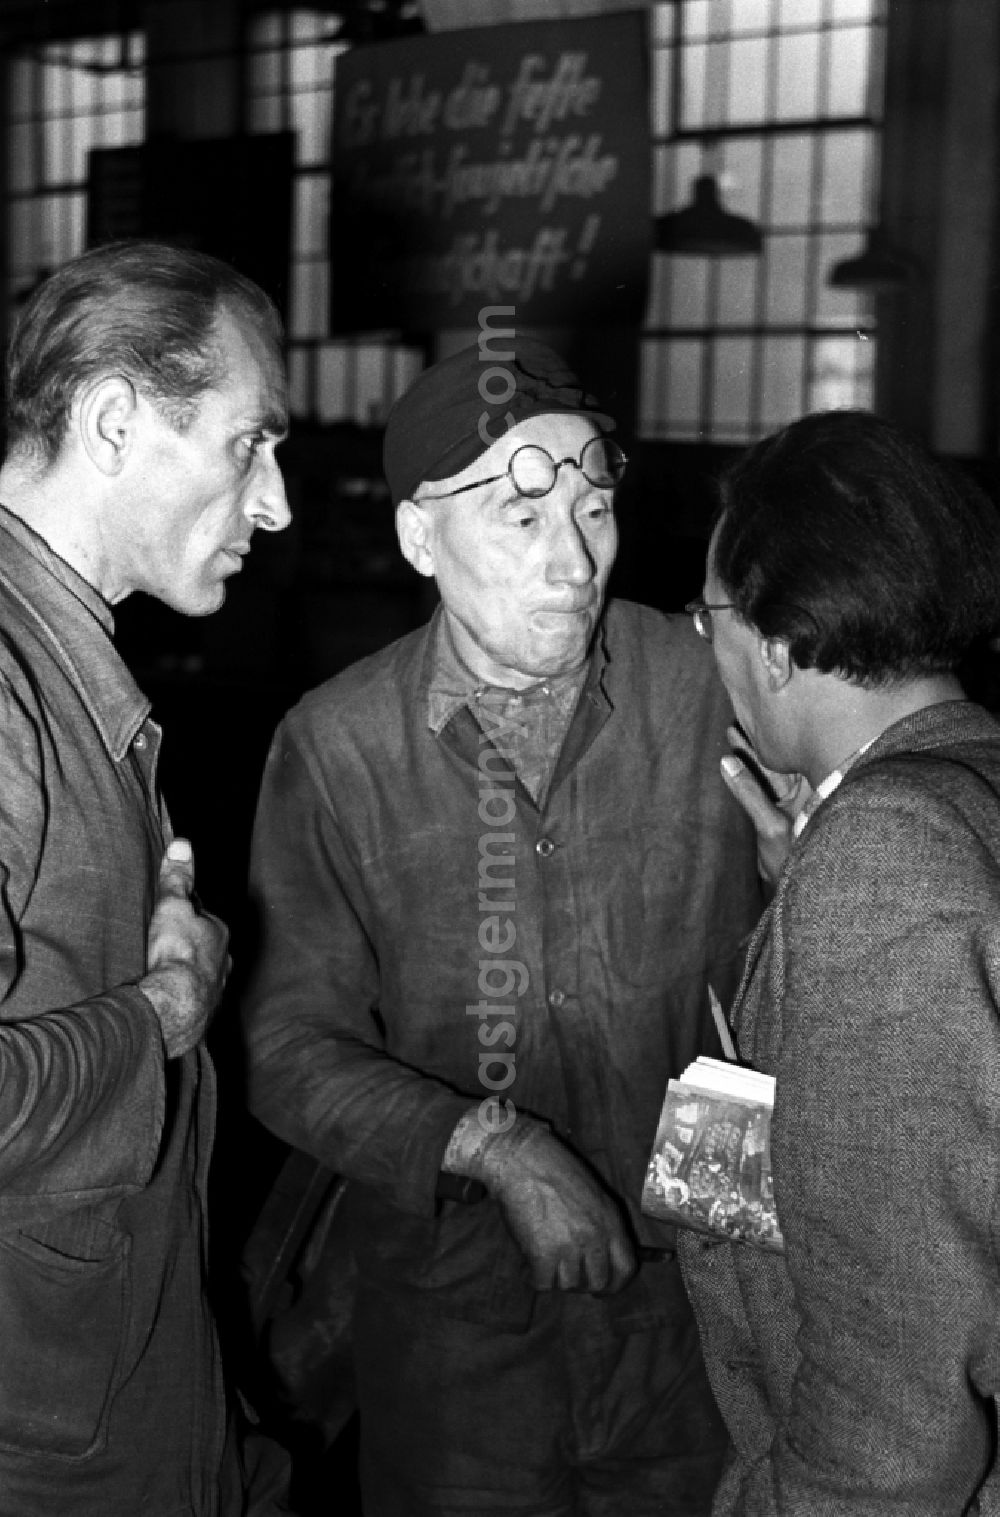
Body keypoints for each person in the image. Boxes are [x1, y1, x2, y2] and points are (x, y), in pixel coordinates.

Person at [242, 336, 764, 1516]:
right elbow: (286, 1042)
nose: (573, 559)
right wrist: (492, 1145)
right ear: (421, 538)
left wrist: (722, 1240)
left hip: (691, 1322)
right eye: (520, 520)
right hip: (456, 1333)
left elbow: (774, 964)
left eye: (591, 506)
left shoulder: (705, 685)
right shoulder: (337, 748)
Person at [0, 239, 290, 1515]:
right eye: (248, 444)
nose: (275, 502)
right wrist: (162, 1015)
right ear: (114, 419)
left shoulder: (58, 653)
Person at [678, 408, 1000, 1514]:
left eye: (707, 613)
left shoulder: (883, 853)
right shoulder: (958, 782)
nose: (705, 641)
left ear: (770, 640)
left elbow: (894, 1390)